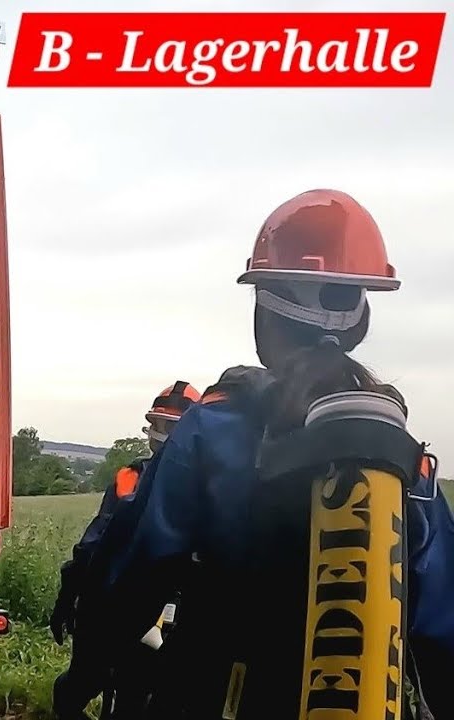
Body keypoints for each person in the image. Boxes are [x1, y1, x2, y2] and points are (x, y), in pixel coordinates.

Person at [102, 189, 454, 718]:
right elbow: (441, 627)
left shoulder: (211, 430)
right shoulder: (403, 458)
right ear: (359, 322)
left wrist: (87, 671)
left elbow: (140, 570)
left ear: (265, 315)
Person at [49, 381, 199, 720]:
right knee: (92, 682)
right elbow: (97, 540)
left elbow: (95, 542)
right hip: (123, 602)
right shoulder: (135, 476)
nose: (161, 433)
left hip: (158, 606)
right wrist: (71, 592)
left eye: (168, 426)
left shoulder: (148, 478)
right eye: (160, 424)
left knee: (130, 689)